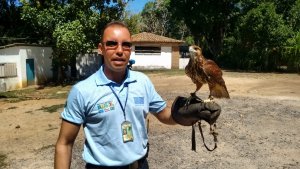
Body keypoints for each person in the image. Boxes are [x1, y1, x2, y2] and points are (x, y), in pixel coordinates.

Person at [54, 21, 221, 169]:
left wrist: (189, 113)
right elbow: (64, 144)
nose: (120, 50)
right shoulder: (82, 91)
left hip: (140, 165)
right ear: (101, 48)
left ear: (130, 50)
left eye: (126, 45)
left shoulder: (142, 82)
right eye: (112, 44)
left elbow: (164, 114)